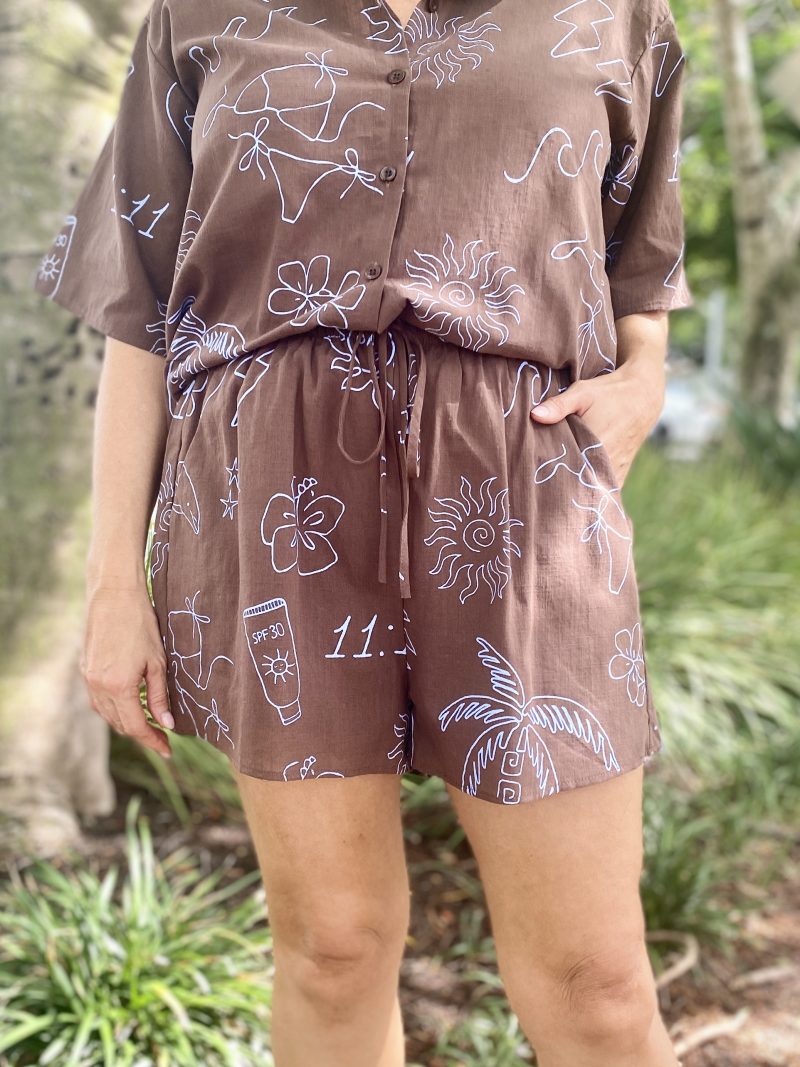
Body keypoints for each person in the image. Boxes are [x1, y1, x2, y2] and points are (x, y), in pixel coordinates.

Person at [32, 0, 693, 1063]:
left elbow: (642, 254)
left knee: (596, 981)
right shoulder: (195, 15)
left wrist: (644, 376)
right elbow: (139, 313)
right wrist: (115, 584)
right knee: (331, 949)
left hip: (520, 504)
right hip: (275, 508)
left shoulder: (612, 12)